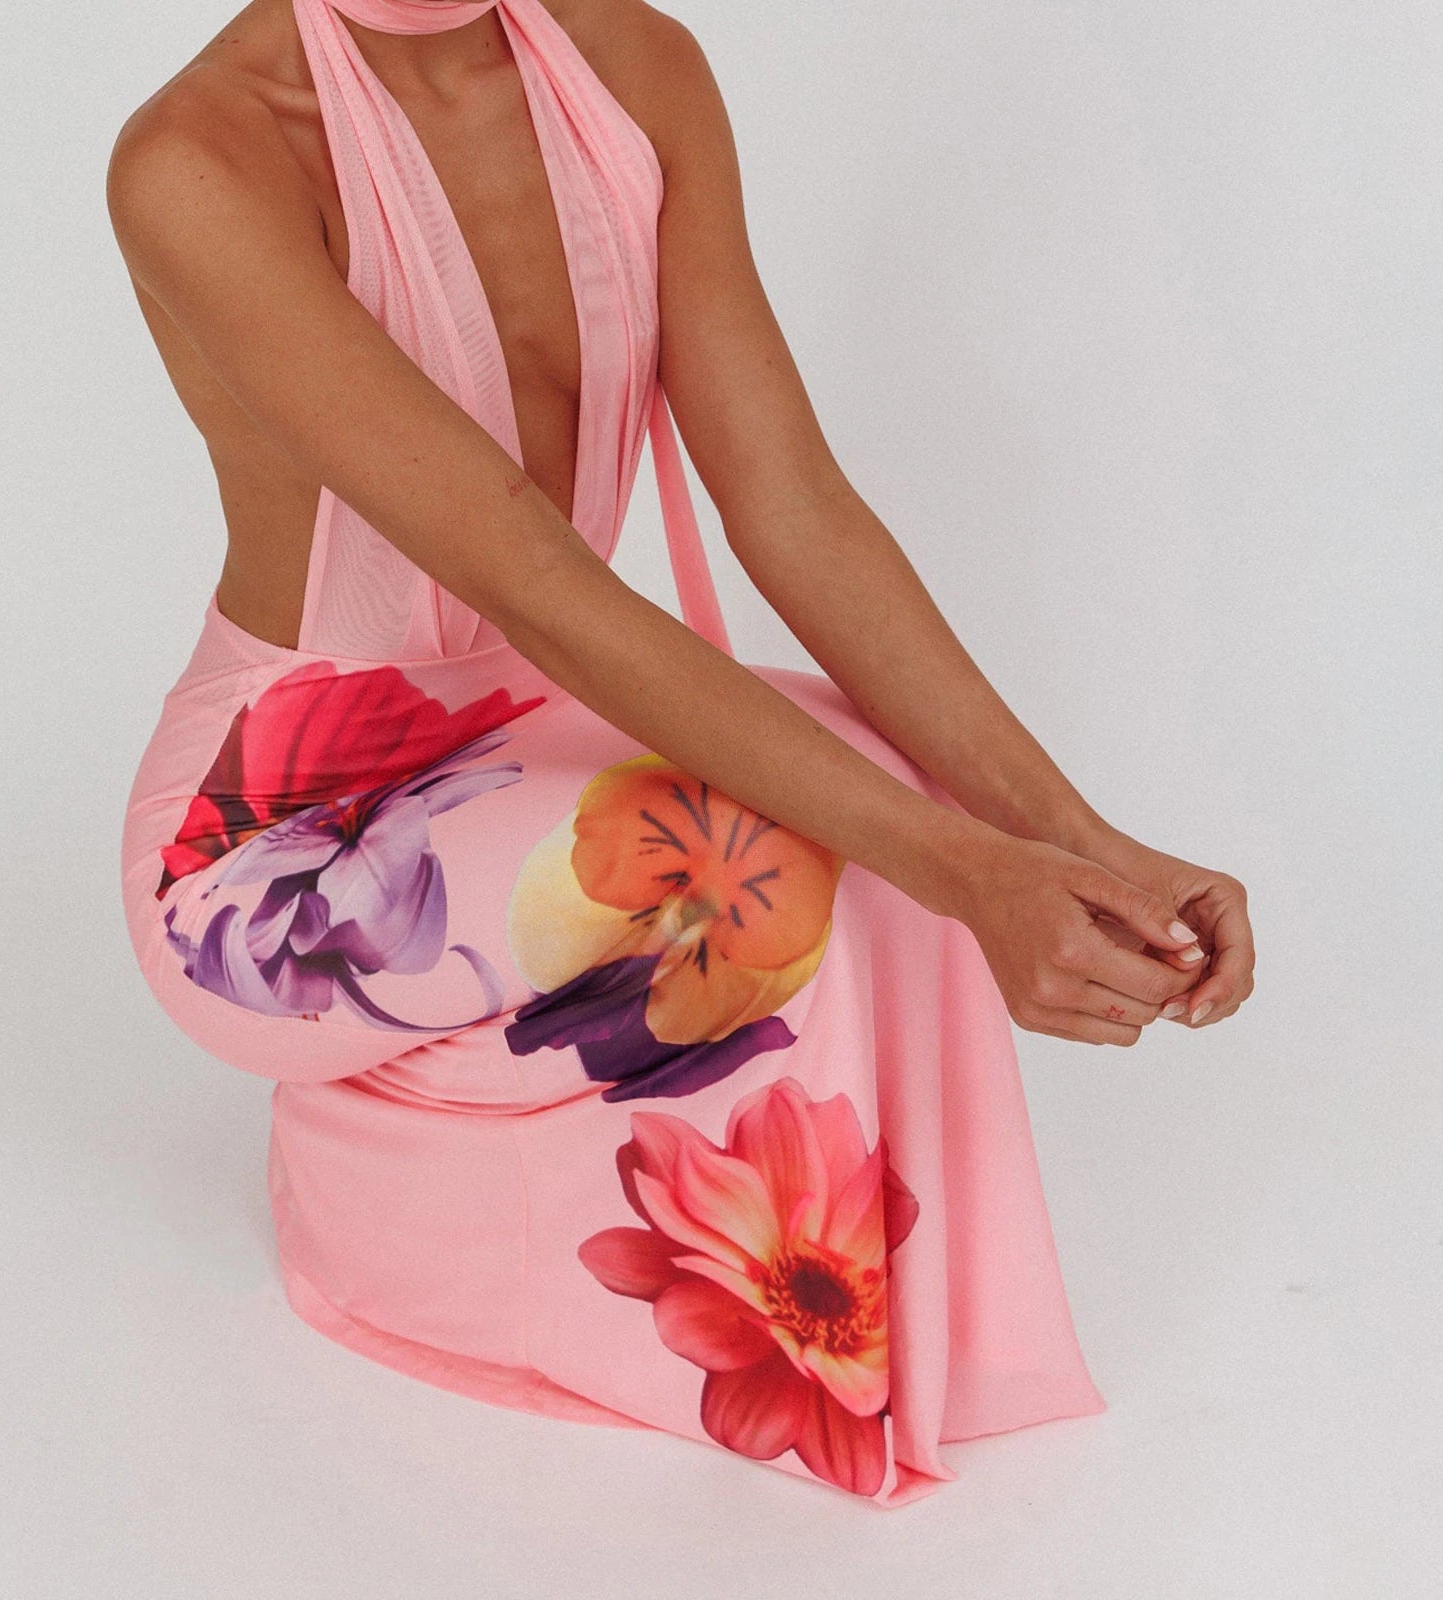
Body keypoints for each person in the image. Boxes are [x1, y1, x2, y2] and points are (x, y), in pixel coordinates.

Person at [105, 0, 1254, 1506]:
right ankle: (438, 1208)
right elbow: (539, 584)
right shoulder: (200, 155)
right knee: (773, 849)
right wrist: (972, 874)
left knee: (869, 778)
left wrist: (1076, 842)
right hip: (277, 827)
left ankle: (497, 1134)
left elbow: (789, 504)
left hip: (519, 723)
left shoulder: (634, 69)